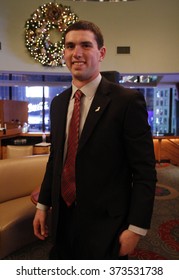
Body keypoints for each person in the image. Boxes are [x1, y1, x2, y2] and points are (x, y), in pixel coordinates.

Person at [33, 20, 157, 260]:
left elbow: (144, 170)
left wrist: (136, 228)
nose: (76, 53)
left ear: (101, 53)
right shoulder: (58, 104)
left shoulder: (127, 102)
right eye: (70, 46)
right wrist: (43, 205)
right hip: (62, 220)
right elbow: (56, 160)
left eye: (85, 45)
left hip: (106, 226)